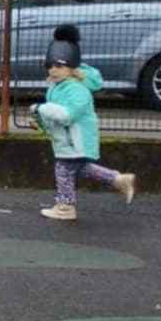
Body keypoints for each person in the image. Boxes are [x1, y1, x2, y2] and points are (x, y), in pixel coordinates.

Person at [34, 26, 135, 221]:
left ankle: (66, 207)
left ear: (72, 68)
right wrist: (40, 119)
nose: (53, 70)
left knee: (63, 170)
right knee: (80, 169)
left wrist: (42, 109)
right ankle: (118, 179)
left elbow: (67, 115)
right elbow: (55, 114)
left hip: (76, 140)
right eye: (49, 65)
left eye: (59, 66)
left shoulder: (77, 89)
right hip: (68, 140)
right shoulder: (59, 86)